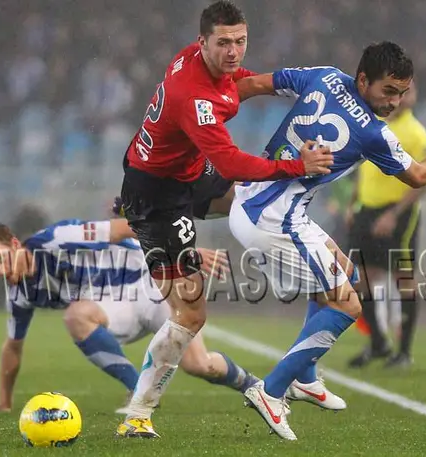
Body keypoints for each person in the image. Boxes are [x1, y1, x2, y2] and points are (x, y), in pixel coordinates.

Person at [118, 0, 333, 438]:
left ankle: (293, 262)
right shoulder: (194, 97)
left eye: (240, 40)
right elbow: (233, 162)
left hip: (185, 172)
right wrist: (298, 166)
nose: (233, 51)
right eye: (224, 43)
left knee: (254, 202)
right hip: (158, 198)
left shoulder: (194, 58)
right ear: (204, 42)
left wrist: (285, 86)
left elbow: (239, 82)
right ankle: (138, 414)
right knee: (191, 314)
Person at [230, 41, 426, 440]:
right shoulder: (373, 133)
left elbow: (255, 84)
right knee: (349, 301)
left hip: (254, 197)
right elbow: (422, 175)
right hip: (273, 218)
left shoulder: (324, 76)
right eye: (388, 91)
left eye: (401, 93)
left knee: (345, 273)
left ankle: (307, 378)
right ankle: (271, 389)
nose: (394, 101)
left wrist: (211, 110)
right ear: (363, 80)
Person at [0, 218, 258, 419]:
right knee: (76, 317)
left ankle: (256, 387)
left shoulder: (58, 239)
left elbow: (127, 227)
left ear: (14, 243)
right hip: (117, 310)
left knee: (200, 365)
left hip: (152, 285)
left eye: (0, 259)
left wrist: (183, 252)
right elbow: (13, 345)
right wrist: (5, 402)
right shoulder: (19, 291)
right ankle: (140, 393)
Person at [346, 81, 426, 369]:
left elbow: (425, 180)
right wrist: (353, 203)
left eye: (409, 91)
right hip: (367, 211)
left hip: (398, 214)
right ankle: (378, 342)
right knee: (362, 278)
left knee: (403, 277)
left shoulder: (416, 132)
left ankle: (404, 351)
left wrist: (394, 214)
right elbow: (363, 168)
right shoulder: (374, 124)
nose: (402, 98)